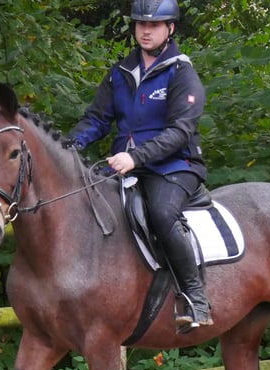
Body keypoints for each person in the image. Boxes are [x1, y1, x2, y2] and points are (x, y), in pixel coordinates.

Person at [64, 0, 213, 330]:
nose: (146, 30)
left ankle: (195, 297)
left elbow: (179, 131)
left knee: (161, 213)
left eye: (154, 25)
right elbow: (97, 118)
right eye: (141, 24)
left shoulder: (181, 72)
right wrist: (68, 146)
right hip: (124, 165)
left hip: (175, 165)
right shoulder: (120, 73)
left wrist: (135, 157)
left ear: (170, 28)